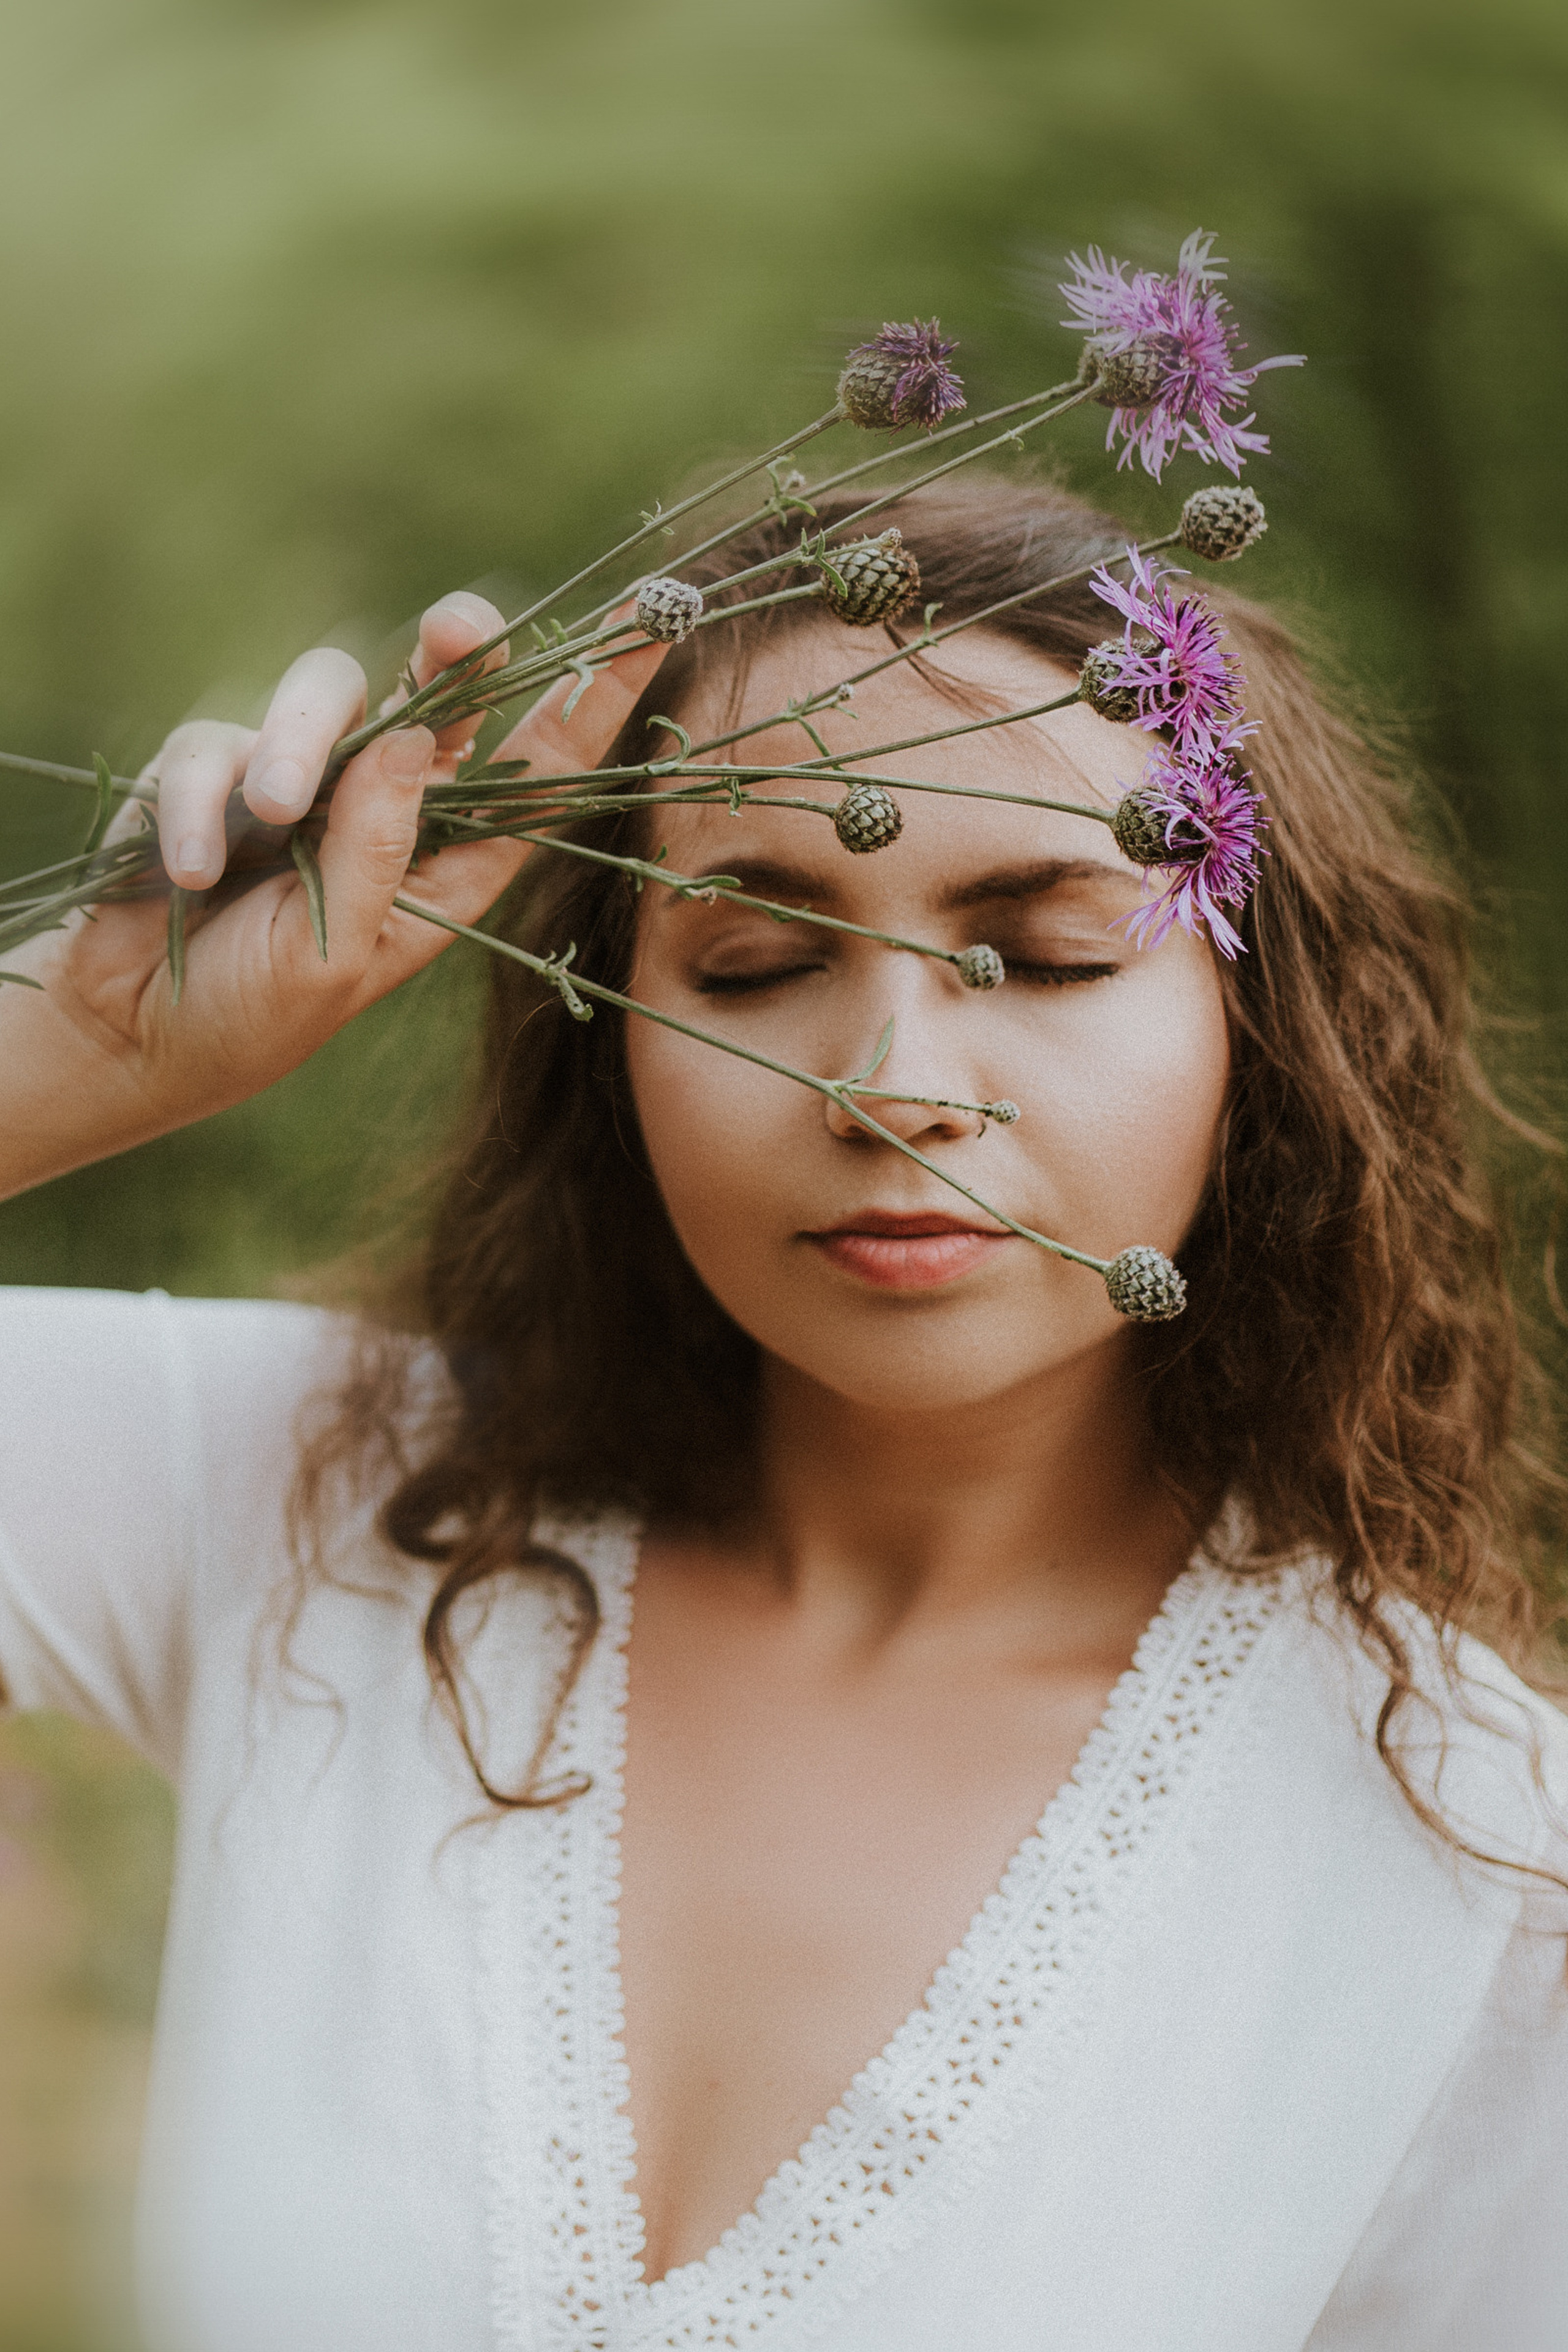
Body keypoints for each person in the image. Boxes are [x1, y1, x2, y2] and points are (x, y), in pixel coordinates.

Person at [0, 478, 1564, 2352]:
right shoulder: (302, 1497)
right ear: (612, 1031)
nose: (893, 1085)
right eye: (755, 962)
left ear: (1269, 1035)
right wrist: (75, 1052)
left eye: (1049, 955)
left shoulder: (1483, 1867)